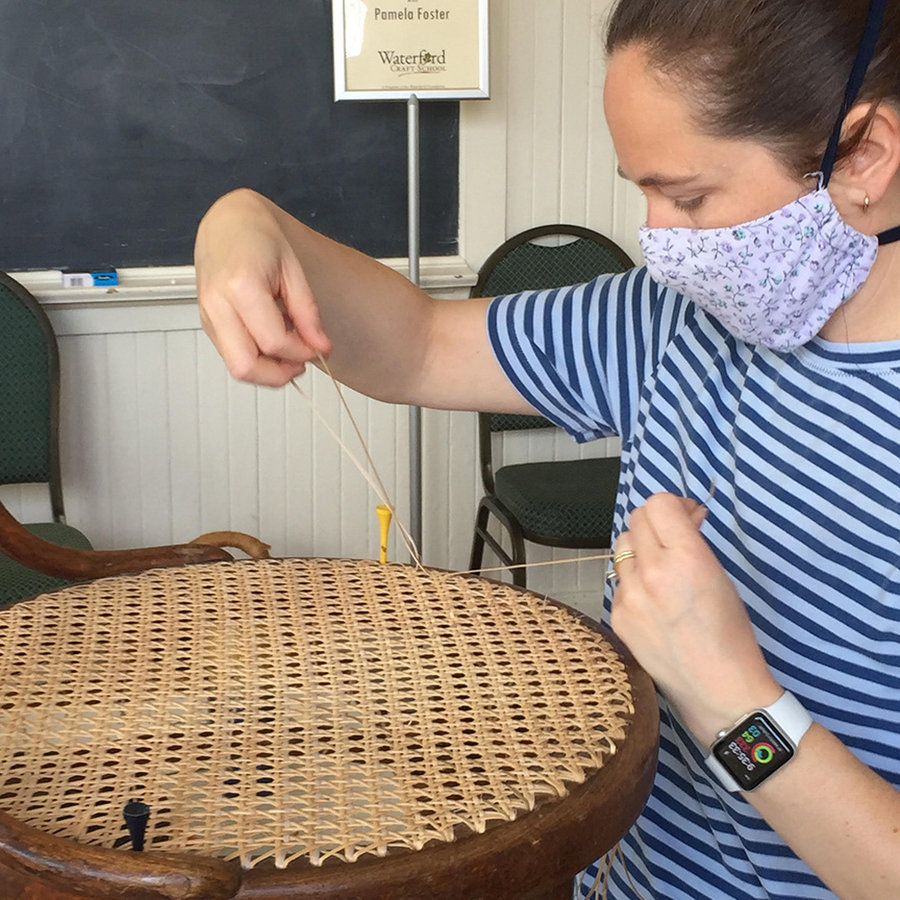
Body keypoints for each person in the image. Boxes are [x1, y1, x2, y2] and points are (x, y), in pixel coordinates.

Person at [194, 0, 900, 896]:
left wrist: (734, 705)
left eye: (688, 197)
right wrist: (247, 222)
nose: (659, 240)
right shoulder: (667, 321)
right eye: (639, 189)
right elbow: (415, 343)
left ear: (864, 153)